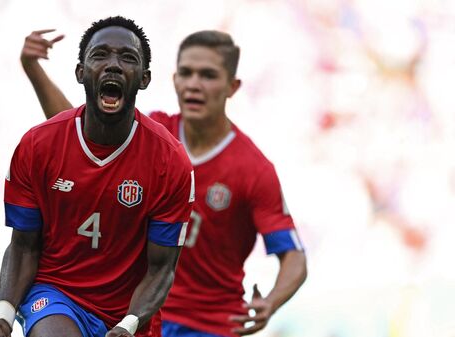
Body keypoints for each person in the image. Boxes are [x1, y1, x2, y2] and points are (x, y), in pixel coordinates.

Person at [20, 28, 308, 337]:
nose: (194, 84)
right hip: (138, 313)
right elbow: (74, 130)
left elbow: (294, 255)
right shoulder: (155, 138)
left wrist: (271, 301)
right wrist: (33, 69)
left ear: (232, 87)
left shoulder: (253, 168)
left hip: (208, 325)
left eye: (208, 75)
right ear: (174, 80)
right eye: (186, 73)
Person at [0, 16, 194, 337]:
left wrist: (128, 326)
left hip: (128, 315)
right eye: (100, 55)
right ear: (80, 73)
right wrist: (3, 316)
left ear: (144, 78)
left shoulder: (169, 161)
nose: (114, 65)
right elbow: (23, 246)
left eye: (127, 58)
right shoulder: (37, 145)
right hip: (56, 294)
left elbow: (162, 268)